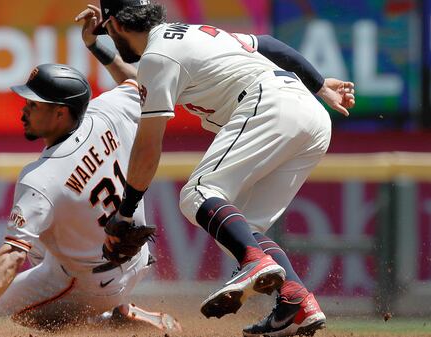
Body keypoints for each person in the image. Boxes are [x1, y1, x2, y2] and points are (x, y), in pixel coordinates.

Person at [87, 1, 356, 336]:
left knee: (198, 195)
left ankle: (254, 263)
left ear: (115, 24)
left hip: (269, 103)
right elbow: (270, 45)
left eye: (108, 31)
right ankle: (295, 303)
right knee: (243, 227)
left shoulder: (157, 58)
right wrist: (319, 85)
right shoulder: (192, 34)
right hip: (310, 115)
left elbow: (147, 147)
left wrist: (125, 214)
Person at [0, 18, 182, 333]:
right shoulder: (107, 111)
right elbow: (139, 82)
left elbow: (12, 256)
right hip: (137, 256)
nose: (24, 110)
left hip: (95, 283)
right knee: (42, 236)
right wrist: (96, 45)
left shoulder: (40, 178)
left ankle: (109, 317)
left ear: (60, 112)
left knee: (13, 306)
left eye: (34, 104)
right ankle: (120, 307)